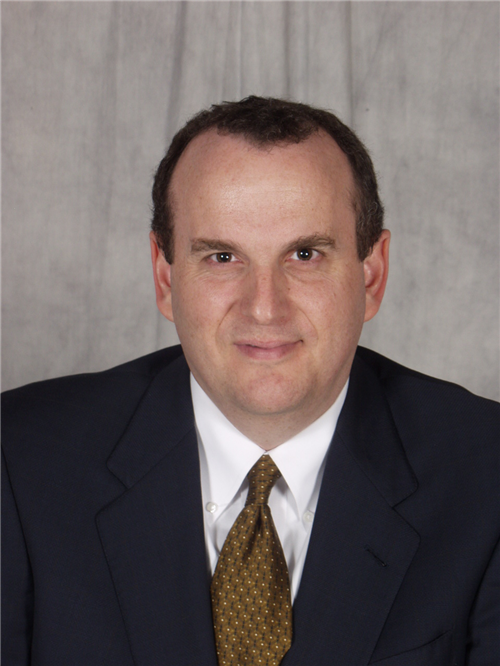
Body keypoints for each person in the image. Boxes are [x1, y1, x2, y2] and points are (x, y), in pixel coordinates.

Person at [2, 96, 498, 666]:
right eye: (222, 257)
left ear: (372, 275)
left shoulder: (487, 476)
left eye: (305, 254)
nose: (264, 308)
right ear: (165, 277)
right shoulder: (20, 459)